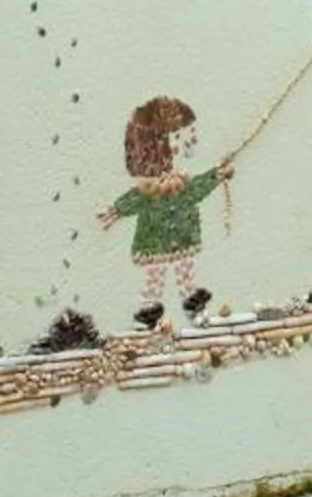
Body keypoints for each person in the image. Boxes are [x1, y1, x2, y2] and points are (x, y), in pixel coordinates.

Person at [97, 95, 228, 329]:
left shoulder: (181, 182)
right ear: (159, 145)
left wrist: (216, 175)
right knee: (155, 277)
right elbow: (133, 200)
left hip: (183, 237)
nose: (190, 140)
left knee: (185, 271)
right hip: (155, 240)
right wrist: (116, 210)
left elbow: (197, 190)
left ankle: (193, 307)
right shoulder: (149, 189)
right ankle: (149, 314)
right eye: (178, 136)